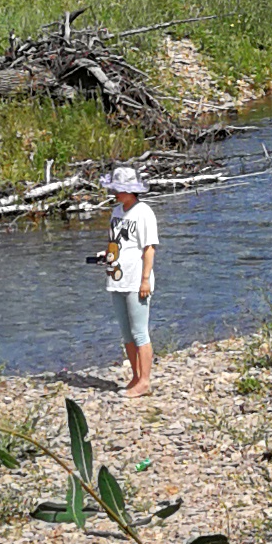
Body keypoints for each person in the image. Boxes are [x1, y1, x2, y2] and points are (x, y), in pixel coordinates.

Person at [105, 164, 159, 396]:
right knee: (126, 333)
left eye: (119, 189)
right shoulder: (116, 212)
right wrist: (104, 255)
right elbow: (117, 243)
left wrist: (145, 280)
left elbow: (149, 248)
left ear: (131, 190)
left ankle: (145, 381)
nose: (115, 193)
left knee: (139, 332)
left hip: (137, 279)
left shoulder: (143, 212)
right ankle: (136, 377)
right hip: (116, 277)